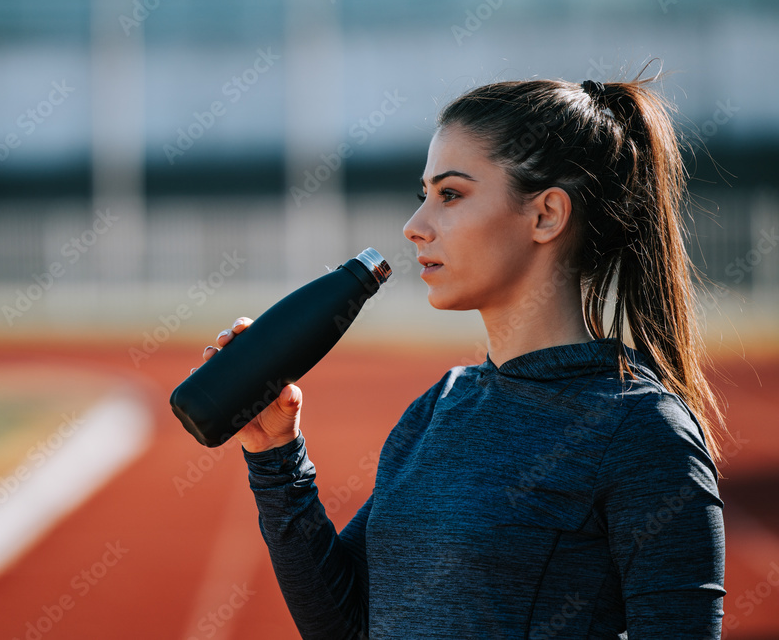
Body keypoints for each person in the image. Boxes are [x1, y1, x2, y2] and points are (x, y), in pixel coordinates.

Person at [194, 70, 728, 638]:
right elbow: (348, 629)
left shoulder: (641, 432)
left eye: (450, 194)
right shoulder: (440, 407)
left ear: (546, 214)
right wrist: (276, 456)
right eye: (423, 195)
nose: (415, 226)